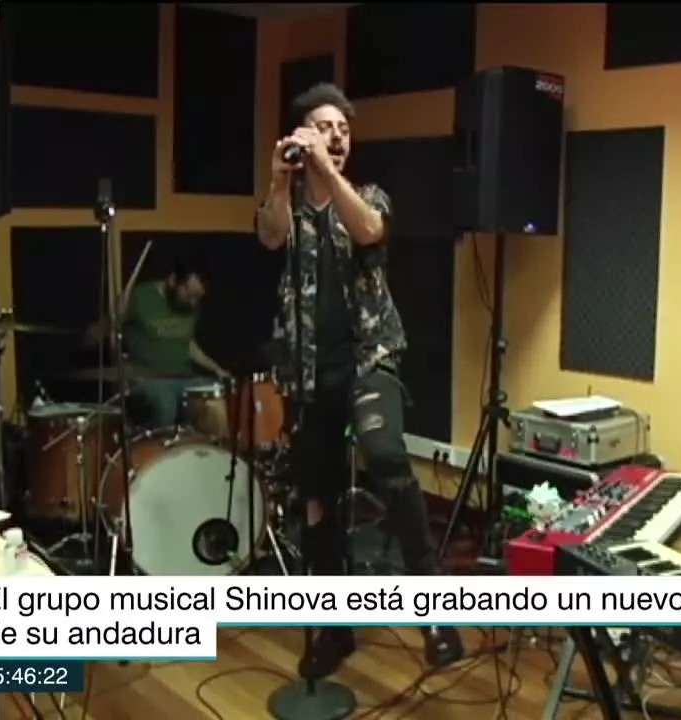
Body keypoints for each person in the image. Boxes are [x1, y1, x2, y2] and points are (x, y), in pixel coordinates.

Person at [255, 83, 465, 677]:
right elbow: (269, 235)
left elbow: (369, 229)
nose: (338, 137)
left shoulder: (368, 195)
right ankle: (334, 629)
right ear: (301, 134)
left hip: (370, 360)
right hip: (309, 374)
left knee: (386, 457)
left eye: (344, 129)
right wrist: (278, 180)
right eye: (324, 127)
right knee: (317, 500)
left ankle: (436, 614)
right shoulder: (290, 207)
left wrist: (326, 171)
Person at [117, 260, 229, 427]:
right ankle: (157, 444)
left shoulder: (189, 305)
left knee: (218, 394)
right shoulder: (139, 297)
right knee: (166, 404)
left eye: (197, 297)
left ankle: (203, 443)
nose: (193, 303)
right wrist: (117, 311)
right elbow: (112, 328)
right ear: (172, 281)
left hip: (183, 376)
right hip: (148, 378)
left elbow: (186, 344)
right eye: (189, 295)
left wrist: (216, 369)